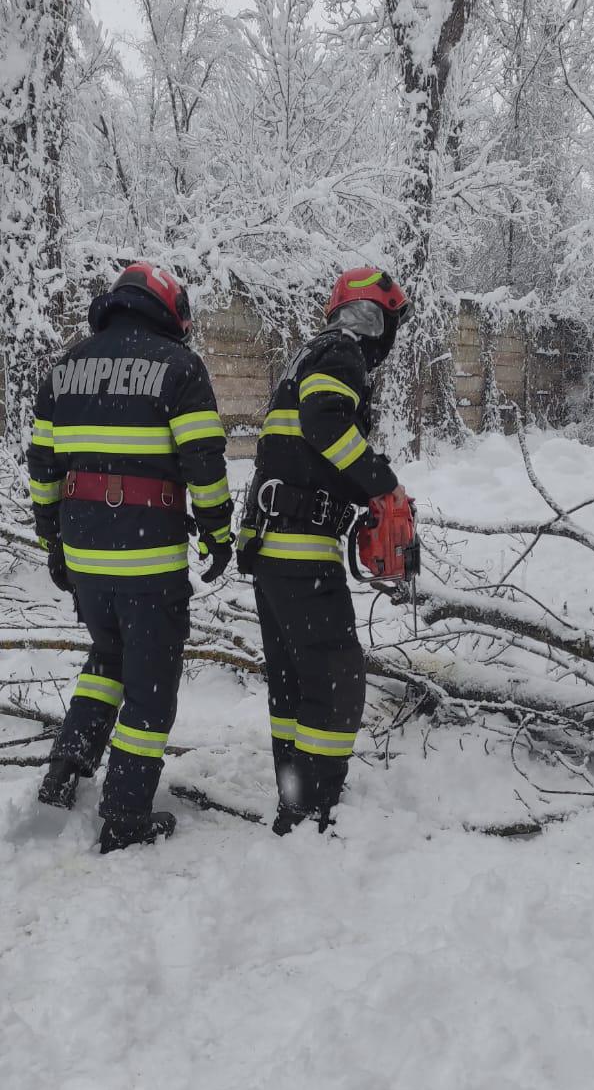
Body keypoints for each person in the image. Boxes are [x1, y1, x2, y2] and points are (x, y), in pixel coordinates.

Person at [26, 262, 234, 854]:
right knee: (150, 682)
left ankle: (68, 763)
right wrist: (218, 534)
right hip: (148, 559)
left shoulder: (63, 369)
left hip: (88, 556)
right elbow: (204, 461)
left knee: (107, 654)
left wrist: (53, 544)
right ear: (169, 310)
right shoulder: (179, 367)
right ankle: (124, 816)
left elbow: (43, 468)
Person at [236, 266, 409, 835]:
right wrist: (380, 484)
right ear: (374, 317)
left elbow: (284, 447)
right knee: (337, 679)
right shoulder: (341, 354)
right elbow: (323, 422)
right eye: (388, 322)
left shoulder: (308, 355)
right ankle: (312, 808)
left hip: (273, 544)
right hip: (300, 546)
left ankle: (294, 793)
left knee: (293, 683)